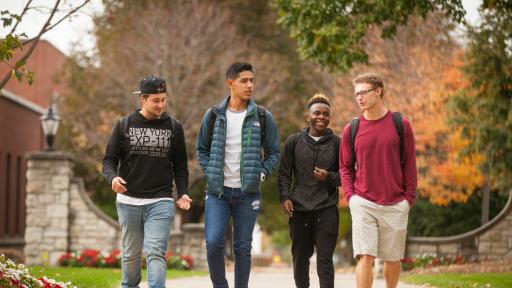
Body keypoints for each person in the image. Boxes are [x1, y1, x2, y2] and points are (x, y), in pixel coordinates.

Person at [102, 76, 192, 288]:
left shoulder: (174, 127)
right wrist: (112, 178)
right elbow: (109, 160)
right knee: (131, 256)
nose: (161, 105)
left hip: (160, 200)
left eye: (163, 100)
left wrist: (183, 192)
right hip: (128, 202)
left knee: (155, 251)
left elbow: (180, 166)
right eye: (156, 100)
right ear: (143, 99)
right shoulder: (123, 125)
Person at [196, 62, 280, 288]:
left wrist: (261, 174)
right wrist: (211, 172)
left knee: (242, 247)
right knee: (213, 243)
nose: (250, 85)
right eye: (244, 81)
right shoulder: (213, 115)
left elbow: (274, 153)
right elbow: (201, 149)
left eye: (252, 80)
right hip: (217, 193)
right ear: (230, 83)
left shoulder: (262, 116)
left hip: (248, 194)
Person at [339, 73, 417, 288]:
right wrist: (351, 197)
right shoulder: (351, 130)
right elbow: (345, 167)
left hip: (395, 202)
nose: (359, 98)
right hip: (363, 201)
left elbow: (409, 164)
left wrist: (407, 199)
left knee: (392, 258)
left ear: (378, 91)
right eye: (356, 94)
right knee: (366, 256)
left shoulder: (400, 124)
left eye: (363, 92)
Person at [278, 93, 340, 288]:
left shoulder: (338, 144)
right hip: (300, 210)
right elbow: (284, 173)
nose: (321, 117)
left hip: (327, 208)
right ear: (308, 116)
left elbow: (348, 176)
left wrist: (329, 177)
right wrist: (285, 197)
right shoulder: (293, 142)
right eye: (317, 113)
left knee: (324, 261)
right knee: (300, 260)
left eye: (325, 114)